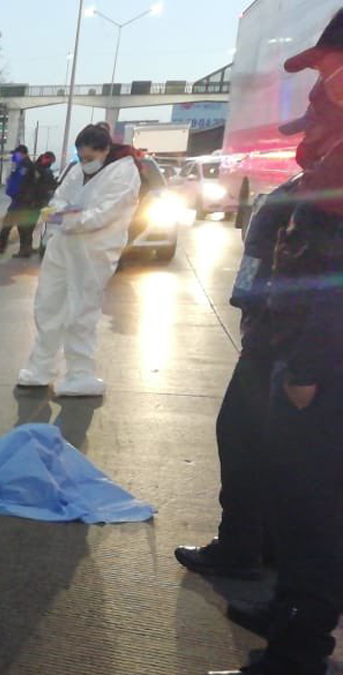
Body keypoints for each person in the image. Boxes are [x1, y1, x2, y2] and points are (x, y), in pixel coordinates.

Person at [210, 12, 343, 674]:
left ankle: (297, 652)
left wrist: (309, 361)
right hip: (293, 339)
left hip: (317, 354)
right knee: (295, 497)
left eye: (329, 70)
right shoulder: (328, 139)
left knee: (314, 506)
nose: (321, 89)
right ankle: (290, 609)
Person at [173, 179, 294, 582]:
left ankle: (242, 546)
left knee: (242, 436)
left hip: (284, 340)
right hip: (291, 340)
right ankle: (271, 543)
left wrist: (256, 323)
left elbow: (264, 267)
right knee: (283, 449)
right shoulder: (308, 186)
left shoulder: (314, 190)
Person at [16, 125, 141, 397]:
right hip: (63, 246)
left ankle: (80, 374)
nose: (85, 163)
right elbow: (59, 199)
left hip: (93, 251)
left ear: (105, 150)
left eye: (89, 158)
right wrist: (60, 213)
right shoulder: (77, 169)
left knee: (81, 312)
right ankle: (40, 368)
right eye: (81, 157)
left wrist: (67, 217)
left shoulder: (124, 174)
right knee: (48, 304)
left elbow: (101, 215)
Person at [0, 145, 38, 254]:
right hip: (21, 200)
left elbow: (20, 183)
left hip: (21, 200)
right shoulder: (24, 165)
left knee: (13, 224)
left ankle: (9, 247)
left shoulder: (25, 166)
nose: (13, 156)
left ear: (22, 153)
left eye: (15, 154)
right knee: (17, 225)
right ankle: (22, 248)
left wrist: (13, 189)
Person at [14, 151, 59, 258]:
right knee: (26, 226)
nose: (47, 161)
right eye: (47, 159)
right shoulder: (36, 168)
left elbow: (47, 186)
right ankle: (26, 248)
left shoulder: (42, 171)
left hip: (32, 203)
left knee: (25, 227)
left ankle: (24, 249)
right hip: (31, 202)